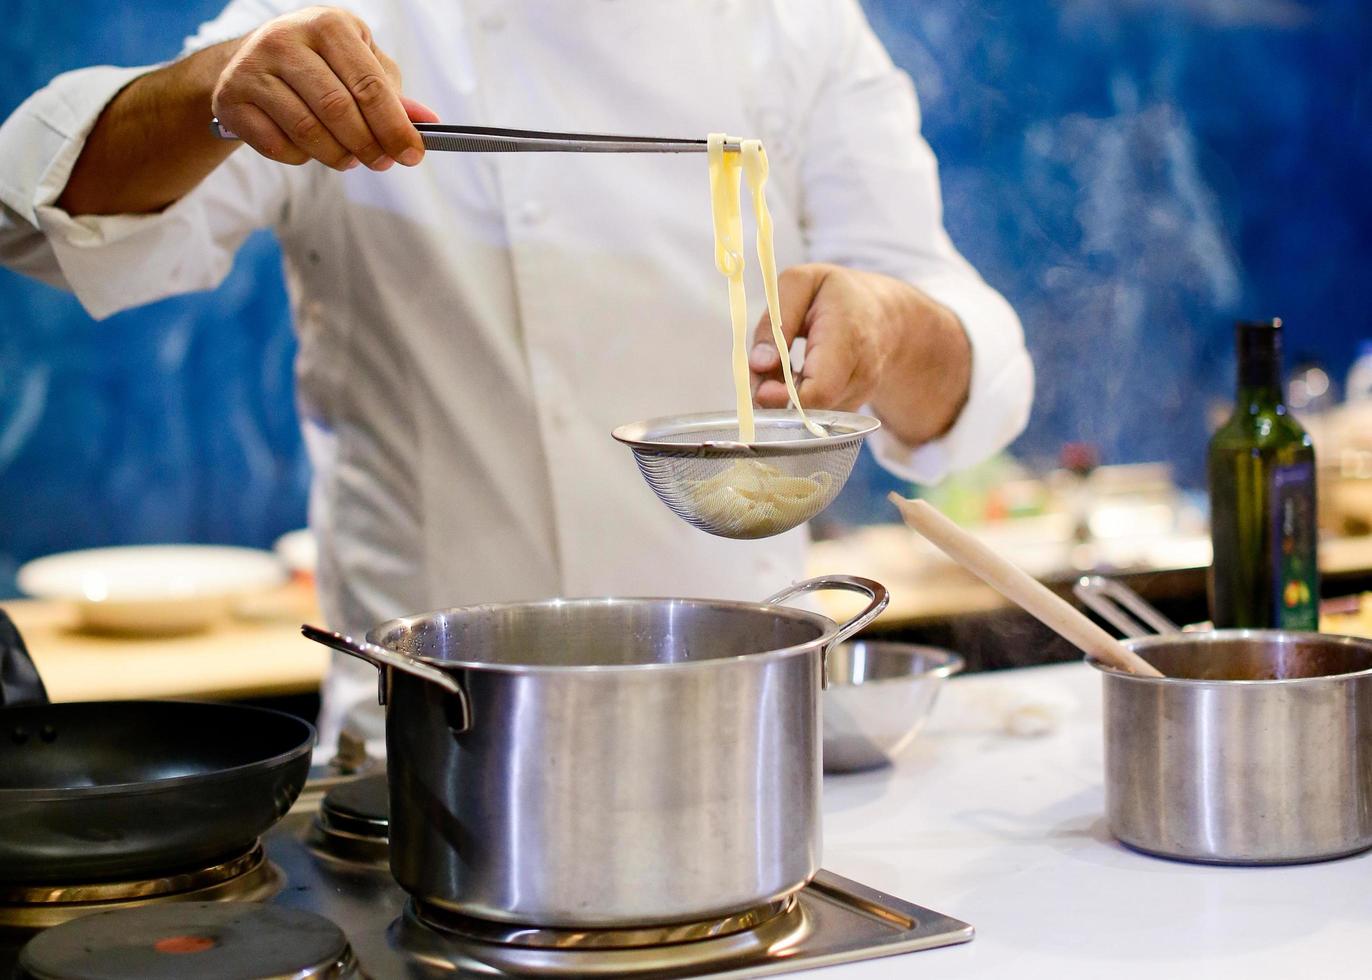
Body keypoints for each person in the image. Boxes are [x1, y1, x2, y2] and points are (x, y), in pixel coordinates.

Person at [0, 1, 1033, 751]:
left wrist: (892, 327)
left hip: (743, 745)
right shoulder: (347, 23)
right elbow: (29, 218)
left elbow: (971, 381)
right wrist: (207, 96)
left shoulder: (792, 30)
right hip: (425, 761)